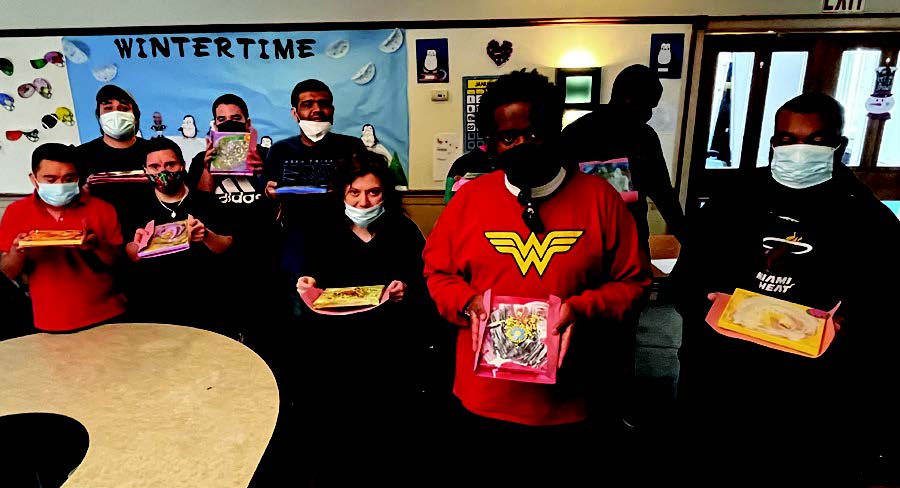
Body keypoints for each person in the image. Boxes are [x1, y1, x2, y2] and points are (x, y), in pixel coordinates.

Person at [422, 69, 651, 485]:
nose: (523, 145)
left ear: (554, 130)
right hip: (484, 398)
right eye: (509, 137)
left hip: (571, 400)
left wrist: (583, 307)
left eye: (534, 133)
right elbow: (438, 272)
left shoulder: (601, 199)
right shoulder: (469, 200)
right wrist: (467, 303)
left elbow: (634, 282)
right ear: (492, 142)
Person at [671, 93, 900, 485]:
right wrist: (706, 304)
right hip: (723, 384)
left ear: (839, 145)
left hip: (808, 398)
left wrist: (849, 323)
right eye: (787, 140)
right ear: (773, 142)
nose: (799, 152)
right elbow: (686, 282)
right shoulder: (732, 201)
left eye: (815, 141)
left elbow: (886, 308)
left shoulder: (867, 218)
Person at [293, 150, 440, 483]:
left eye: (373, 192)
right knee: (339, 429)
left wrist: (406, 288)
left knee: (388, 428)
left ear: (385, 192)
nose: (363, 202)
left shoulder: (402, 229)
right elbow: (306, 273)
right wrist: (307, 282)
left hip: (390, 346)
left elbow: (425, 279)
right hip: (336, 347)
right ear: (341, 193)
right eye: (354, 193)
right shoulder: (321, 229)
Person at [0, 143, 126, 332]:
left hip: (107, 314)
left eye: (69, 178)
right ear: (34, 179)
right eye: (50, 180)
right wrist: (17, 251)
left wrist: (97, 245)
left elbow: (118, 262)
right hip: (50, 319)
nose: (60, 186)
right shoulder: (16, 212)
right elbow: (8, 272)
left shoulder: (102, 209)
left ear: (78, 177)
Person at [262, 79, 366, 308]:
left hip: (345, 244)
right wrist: (270, 194)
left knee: (347, 310)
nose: (317, 110)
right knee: (299, 314)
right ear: (295, 113)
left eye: (323, 104)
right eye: (308, 104)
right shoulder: (280, 151)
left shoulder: (352, 148)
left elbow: (369, 193)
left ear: (332, 110)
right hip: (297, 249)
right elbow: (266, 202)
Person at [561, 64, 684, 256]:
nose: (649, 114)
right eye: (648, 105)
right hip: (607, 243)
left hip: (596, 240)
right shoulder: (642, 136)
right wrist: (686, 237)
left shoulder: (575, 131)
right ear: (629, 99)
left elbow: (663, 194)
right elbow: (663, 194)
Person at [120, 137, 234, 332]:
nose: (163, 171)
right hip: (155, 307)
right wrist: (138, 246)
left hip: (205, 304)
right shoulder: (134, 206)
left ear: (182, 165)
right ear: (145, 170)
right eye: (155, 167)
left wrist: (206, 235)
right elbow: (130, 254)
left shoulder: (206, 201)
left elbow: (226, 245)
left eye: (170, 164)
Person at [75, 84, 149, 208]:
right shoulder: (80, 155)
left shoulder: (155, 151)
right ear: (99, 117)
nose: (116, 114)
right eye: (108, 108)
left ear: (136, 117)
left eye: (124, 108)